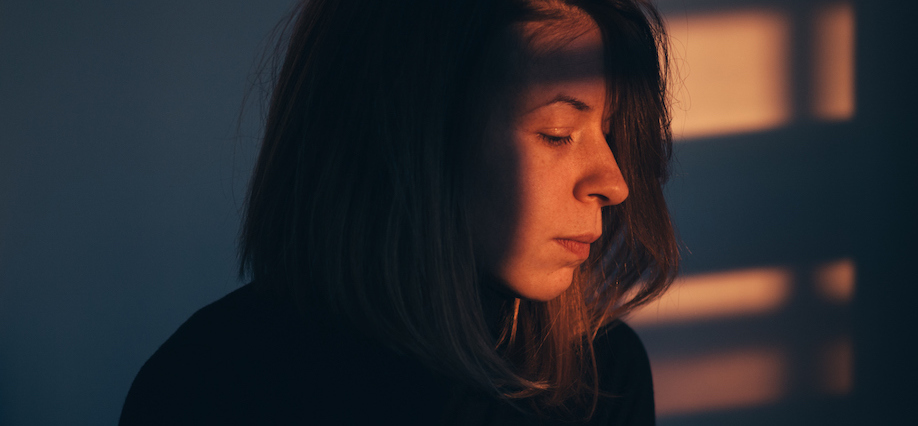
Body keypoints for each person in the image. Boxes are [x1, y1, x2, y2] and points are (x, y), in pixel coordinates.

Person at [120, 0, 676, 424]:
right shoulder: (210, 386)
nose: (615, 183)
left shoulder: (600, 381)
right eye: (558, 134)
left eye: (606, 134)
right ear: (407, 133)